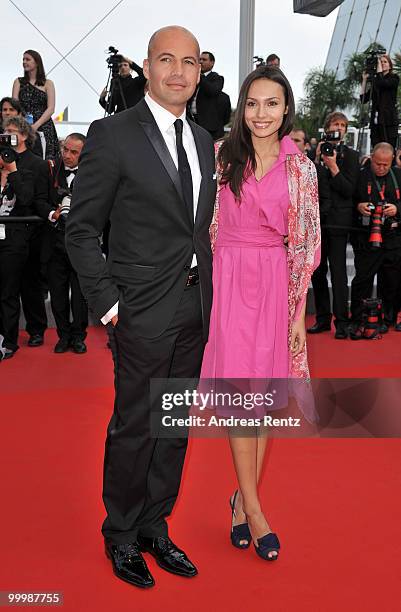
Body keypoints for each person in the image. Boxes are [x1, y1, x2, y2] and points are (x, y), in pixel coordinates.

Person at [66, 26, 216, 588]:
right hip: (139, 312)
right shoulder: (112, 134)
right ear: (146, 68)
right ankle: (122, 534)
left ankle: (156, 526)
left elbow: (196, 229)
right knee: (135, 427)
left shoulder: (204, 139)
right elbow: (81, 230)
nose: (178, 71)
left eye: (189, 62)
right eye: (166, 60)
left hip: (193, 311)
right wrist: (108, 305)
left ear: (200, 72)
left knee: (173, 426)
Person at [200, 66, 320, 560]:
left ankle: (239, 501)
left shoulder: (301, 169)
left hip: (274, 283)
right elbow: (203, 225)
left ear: (286, 108)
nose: (261, 114)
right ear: (241, 108)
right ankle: (255, 508)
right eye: (252, 103)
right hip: (228, 282)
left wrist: (296, 314)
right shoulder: (220, 158)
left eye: (271, 104)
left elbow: (307, 244)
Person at [0, 96, 48, 347]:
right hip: (6, 232)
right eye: (4, 130)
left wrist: (13, 170)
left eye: (11, 131)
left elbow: (31, 198)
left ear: (24, 134)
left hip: (29, 232)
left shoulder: (37, 164)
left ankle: (37, 328)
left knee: (30, 284)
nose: (6, 134)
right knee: (7, 288)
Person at [307, 112, 360, 339]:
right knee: (318, 273)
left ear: (346, 130)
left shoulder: (351, 156)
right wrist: (319, 160)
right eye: (335, 124)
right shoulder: (314, 155)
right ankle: (322, 319)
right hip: (318, 221)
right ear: (326, 128)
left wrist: (333, 166)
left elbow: (349, 190)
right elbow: (307, 185)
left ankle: (342, 322)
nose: (338, 128)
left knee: (339, 273)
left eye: (342, 125)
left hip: (339, 223)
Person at [43, 133, 88, 354]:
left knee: (80, 295)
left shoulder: (92, 175)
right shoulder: (51, 170)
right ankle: (63, 336)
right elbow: (38, 200)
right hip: (54, 242)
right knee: (58, 294)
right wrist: (52, 212)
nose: (67, 155)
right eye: (65, 150)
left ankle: (79, 336)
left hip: (81, 244)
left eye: (73, 152)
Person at [350, 142, 401, 337]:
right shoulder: (361, 176)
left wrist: (397, 209)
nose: (380, 168)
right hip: (366, 238)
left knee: (391, 282)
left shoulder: (398, 176)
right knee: (362, 280)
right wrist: (359, 206)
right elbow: (349, 199)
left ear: (392, 162)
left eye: (385, 165)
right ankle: (357, 319)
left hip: (392, 238)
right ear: (371, 158)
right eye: (377, 163)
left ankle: (386, 319)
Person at [12, 50, 61, 161]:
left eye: (28, 59)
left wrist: (36, 125)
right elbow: (14, 106)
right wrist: (24, 125)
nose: (24, 62)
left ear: (37, 62)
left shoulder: (48, 83)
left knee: (45, 160)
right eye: (23, 59)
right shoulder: (18, 82)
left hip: (44, 126)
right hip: (23, 126)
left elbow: (51, 108)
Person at [360, 54, 399, 150]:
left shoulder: (394, 78)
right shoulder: (376, 82)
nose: (382, 64)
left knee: (388, 148)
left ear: (390, 66)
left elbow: (383, 84)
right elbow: (363, 99)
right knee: (376, 147)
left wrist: (379, 72)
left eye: (385, 62)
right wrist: (364, 80)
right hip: (376, 122)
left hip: (388, 121)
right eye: (380, 62)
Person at [189, 51, 224, 139]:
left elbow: (212, 91)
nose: (201, 62)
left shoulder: (217, 78)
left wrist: (200, 77)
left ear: (212, 63)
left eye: (204, 59)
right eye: (199, 59)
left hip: (208, 126)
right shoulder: (193, 77)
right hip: (191, 121)